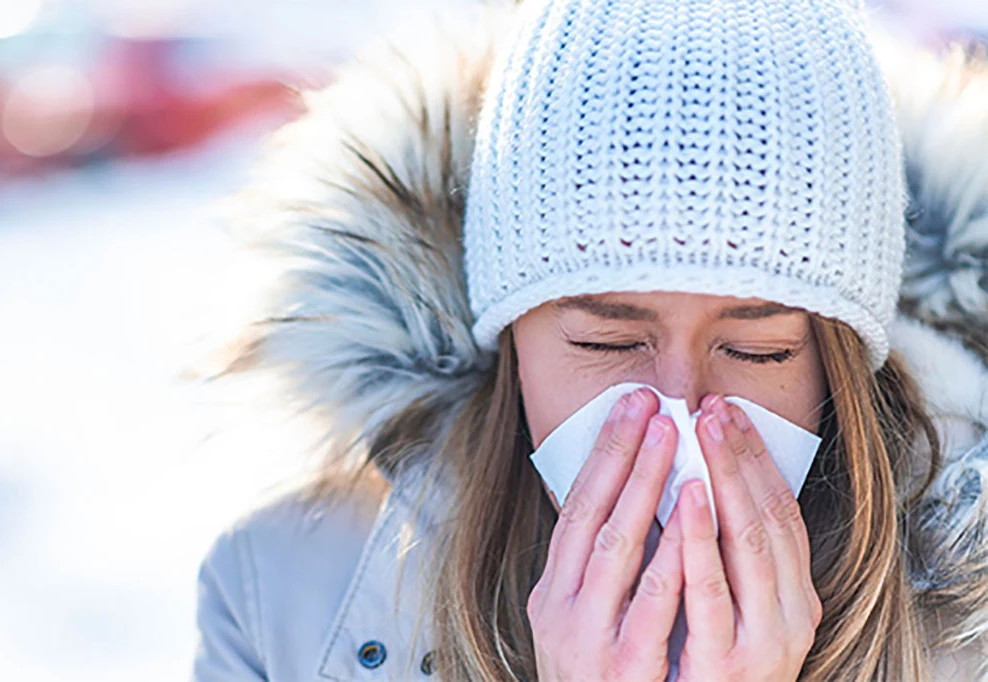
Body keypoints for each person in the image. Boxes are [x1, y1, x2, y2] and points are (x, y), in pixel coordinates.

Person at [191, 0, 988, 679]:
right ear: (509, 344)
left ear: (837, 367)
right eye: (606, 342)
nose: (676, 409)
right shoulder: (279, 601)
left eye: (758, 351)